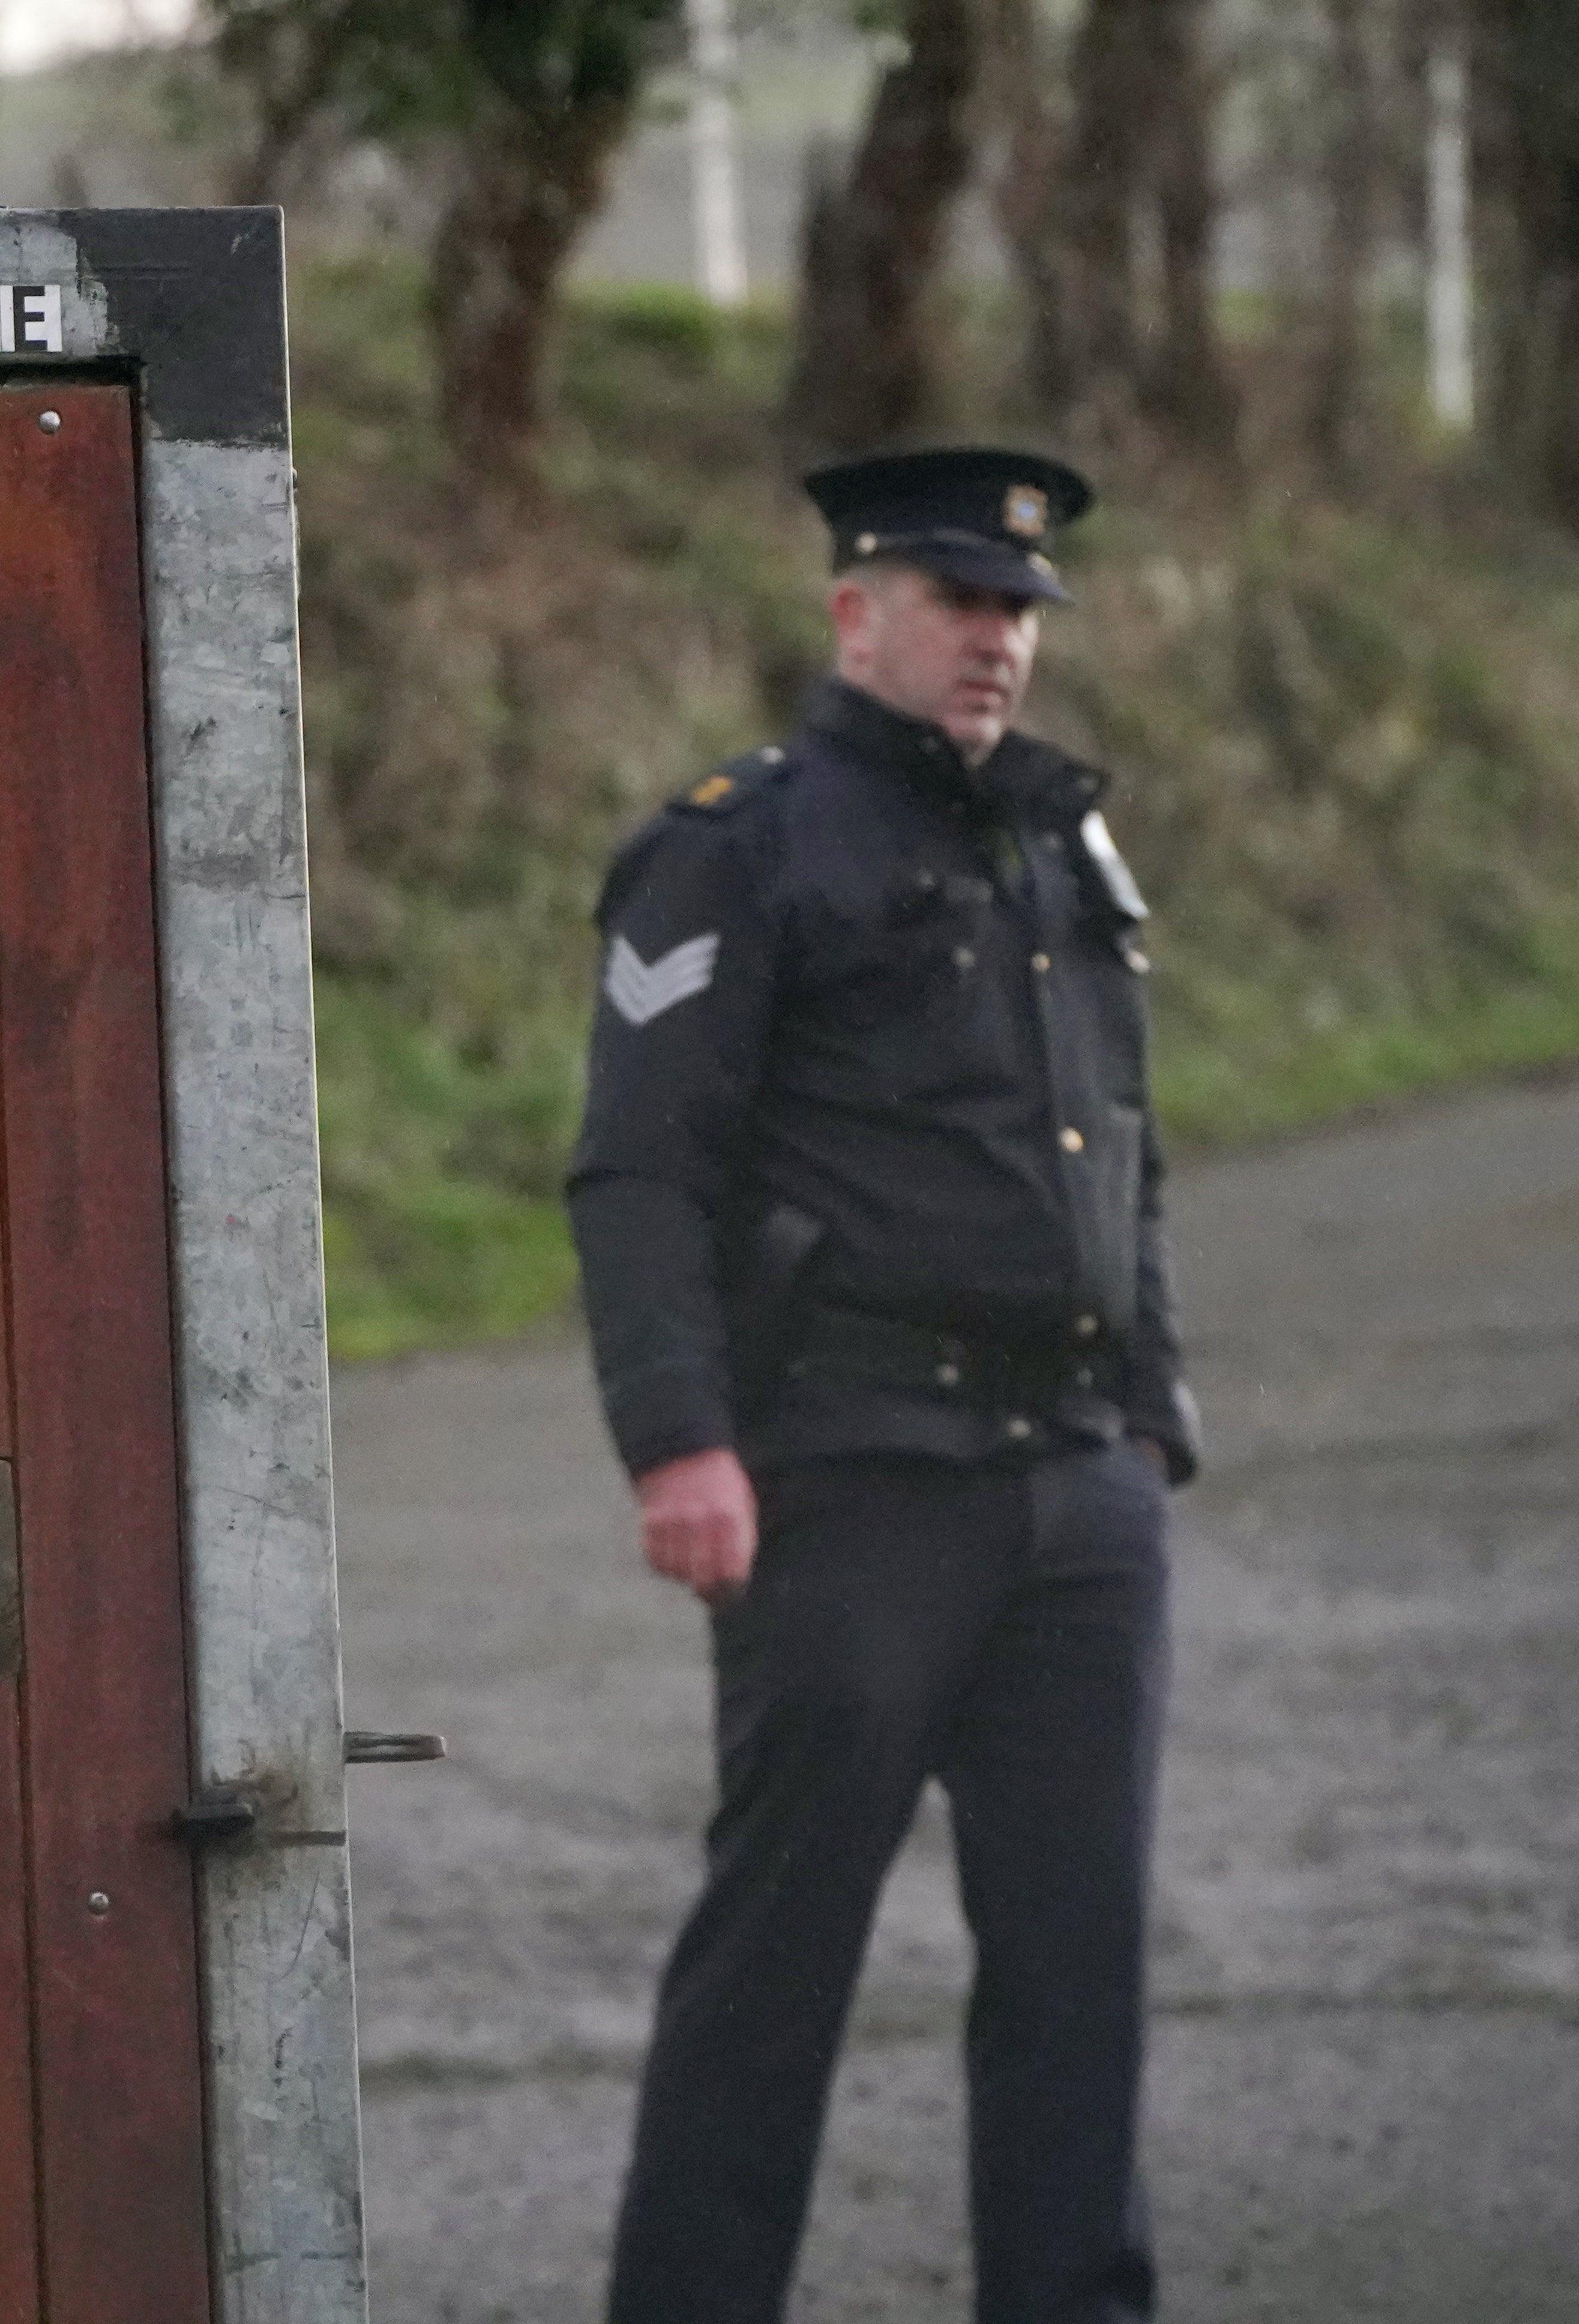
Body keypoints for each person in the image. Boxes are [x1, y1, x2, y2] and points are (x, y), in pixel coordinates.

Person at [571, 446, 1201, 2324]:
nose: (998, 639)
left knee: (1082, 1971)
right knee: (778, 1970)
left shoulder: (1059, 841)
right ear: (857, 610)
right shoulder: (736, 844)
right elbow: (641, 1168)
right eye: (960, 603)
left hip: (1078, 1494)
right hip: (850, 1483)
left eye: (1019, 609)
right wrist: (681, 1440)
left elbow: (1124, 1140)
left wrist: (1152, 1403)